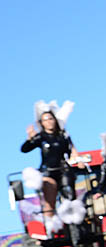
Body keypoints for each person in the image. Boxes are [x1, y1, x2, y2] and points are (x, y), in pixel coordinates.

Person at [21, 101, 85, 235]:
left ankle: (75, 225)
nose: (49, 122)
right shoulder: (41, 137)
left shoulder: (63, 136)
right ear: (41, 123)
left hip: (63, 169)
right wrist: (30, 138)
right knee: (50, 193)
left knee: (69, 193)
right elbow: (24, 149)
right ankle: (51, 226)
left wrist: (79, 160)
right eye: (45, 120)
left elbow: (72, 150)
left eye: (51, 118)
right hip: (48, 171)